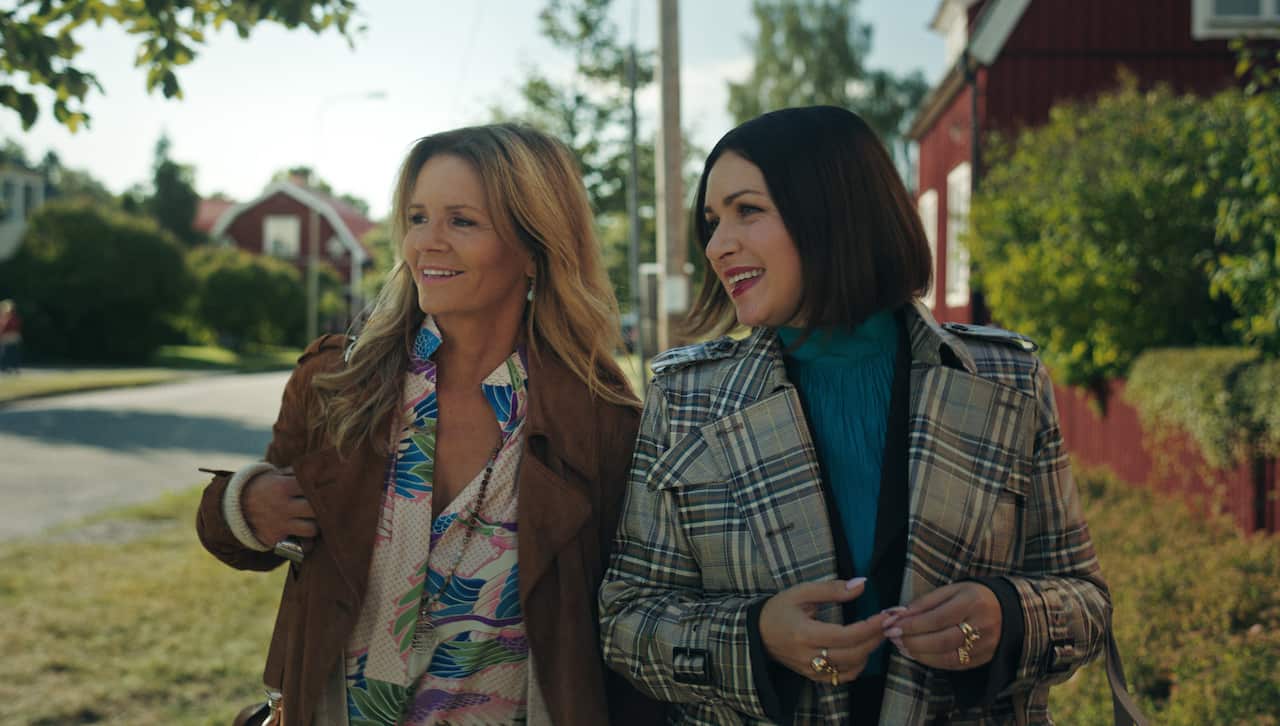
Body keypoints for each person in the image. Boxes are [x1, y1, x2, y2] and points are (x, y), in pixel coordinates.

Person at [600, 107, 1141, 724]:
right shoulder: (686, 398)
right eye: (712, 221)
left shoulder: (1004, 381)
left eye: (747, 210)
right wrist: (756, 638)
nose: (718, 245)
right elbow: (626, 619)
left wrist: (1008, 617)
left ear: (836, 210)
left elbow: (1085, 599)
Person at [198, 124, 661, 726]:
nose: (427, 243)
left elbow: (626, 620)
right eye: (418, 218)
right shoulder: (337, 381)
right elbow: (242, 535)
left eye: (462, 221)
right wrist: (244, 506)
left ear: (534, 248)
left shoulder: (599, 420)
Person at [0, 300, 22, 373]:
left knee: (13, 353)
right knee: (6, 353)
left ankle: (13, 367)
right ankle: (5, 367)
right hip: (7, 337)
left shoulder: (12, 317)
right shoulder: (5, 317)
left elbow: (16, 326)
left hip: (12, 337)